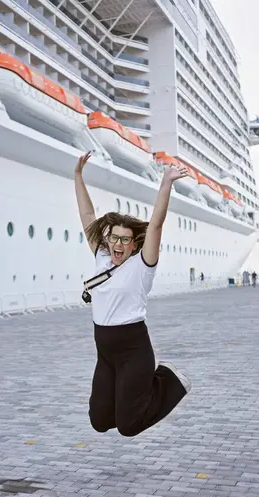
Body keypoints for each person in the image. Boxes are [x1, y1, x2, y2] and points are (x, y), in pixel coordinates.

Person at [74, 151, 192, 438]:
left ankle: (169, 380)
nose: (118, 243)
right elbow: (88, 216)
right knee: (100, 421)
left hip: (133, 349)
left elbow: (156, 225)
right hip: (105, 352)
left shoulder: (142, 266)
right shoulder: (102, 257)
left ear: (133, 243)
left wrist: (166, 184)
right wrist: (78, 176)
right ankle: (132, 397)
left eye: (125, 239)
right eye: (113, 237)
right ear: (107, 239)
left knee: (128, 426)